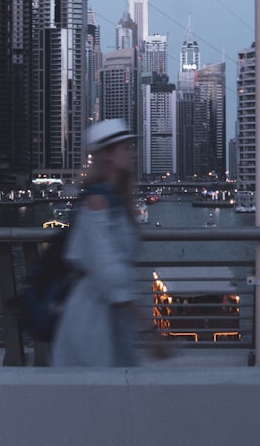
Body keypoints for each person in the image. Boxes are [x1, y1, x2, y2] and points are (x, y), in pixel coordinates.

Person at [51, 119, 168, 367]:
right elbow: (109, 274)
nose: (132, 152)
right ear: (106, 155)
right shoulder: (97, 203)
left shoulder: (114, 200)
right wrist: (147, 329)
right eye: (125, 147)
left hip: (111, 317)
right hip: (90, 317)